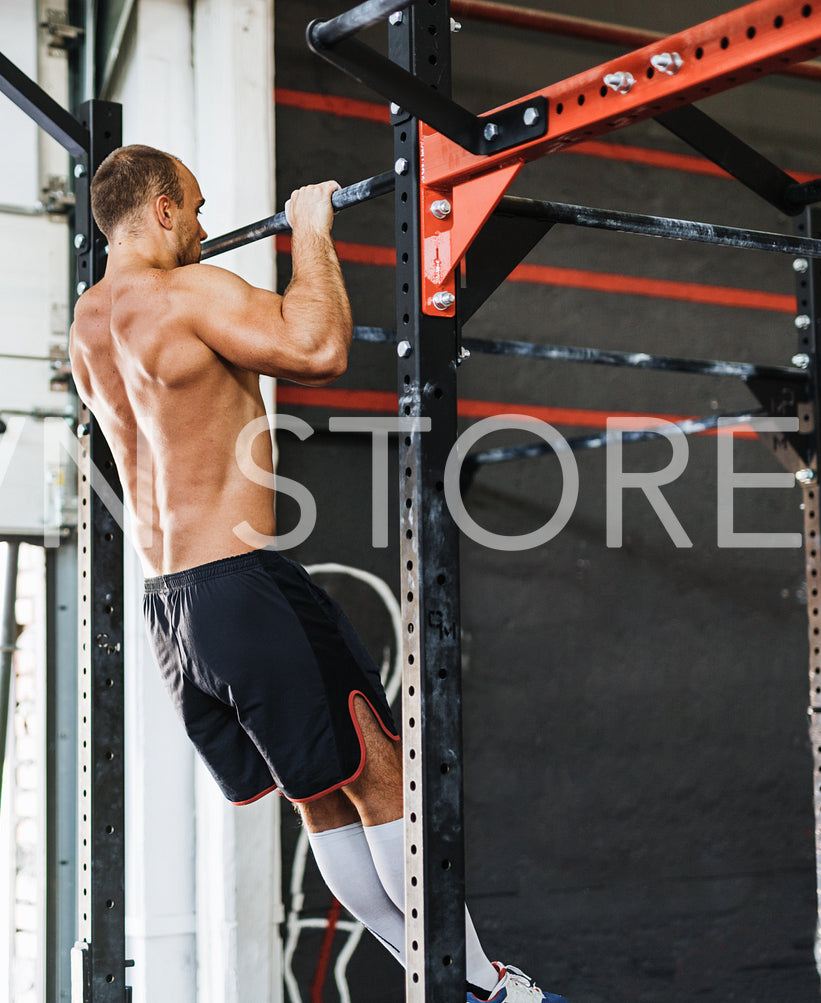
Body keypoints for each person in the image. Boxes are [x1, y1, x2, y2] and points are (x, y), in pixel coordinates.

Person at [68, 144, 567, 1003]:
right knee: (376, 766)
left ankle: (449, 981)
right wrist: (311, 232)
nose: (203, 227)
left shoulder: (86, 324)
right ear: (157, 212)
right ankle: (487, 988)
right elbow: (319, 346)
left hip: (173, 610)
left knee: (322, 799)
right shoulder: (187, 293)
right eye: (191, 207)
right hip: (243, 584)